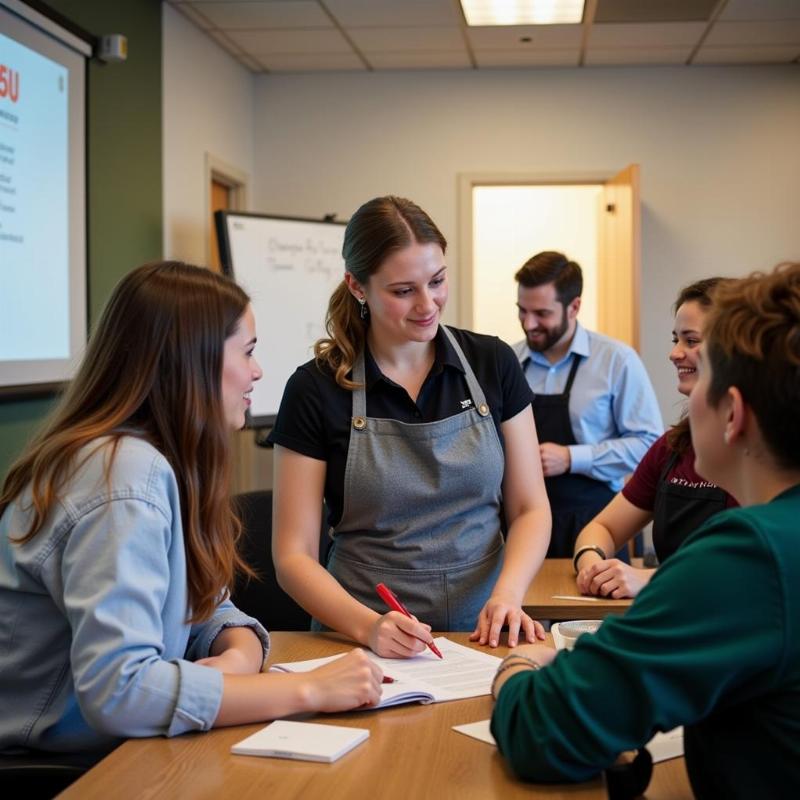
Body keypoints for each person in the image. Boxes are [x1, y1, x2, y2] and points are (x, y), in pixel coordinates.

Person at [0, 261, 384, 757]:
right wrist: (308, 690)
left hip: (122, 749)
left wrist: (237, 653)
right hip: (59, 767)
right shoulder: (122, 478)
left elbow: (202, 605)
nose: (257, 370)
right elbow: (119, 692)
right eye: (247, 352)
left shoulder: (154, 460)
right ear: (191, 361)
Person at [491, 262, 800, 798]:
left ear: (734, 413)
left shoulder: (746, 557)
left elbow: (543, 730)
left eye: (702, 376)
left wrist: (517, 666)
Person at [269, 195, 551, 656]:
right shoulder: (315, 388)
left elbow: (530, 509)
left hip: (483, 627)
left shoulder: (492, 363)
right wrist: (369, 628)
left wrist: (508, 594)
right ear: (358, 287)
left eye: (437, 281)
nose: (427, 305)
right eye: (403, 291)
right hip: (360, 633)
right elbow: (292, 556)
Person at [573, 278, 738, 598]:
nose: (675, 354)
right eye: (676, 339)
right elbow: (602, 528)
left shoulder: (765, 453)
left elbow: (752, 568)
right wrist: (593, 565)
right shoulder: (671, 448)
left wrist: (651, 579)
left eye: (691, 340)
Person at [513, 252, 662, 557]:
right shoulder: (509, 363)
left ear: (574, 307)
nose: (529, 324)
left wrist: (571, 458)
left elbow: (649, 447)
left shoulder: (616, 361)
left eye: (541, 313)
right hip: (520, 527)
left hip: (594, 524)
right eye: (522, 311)